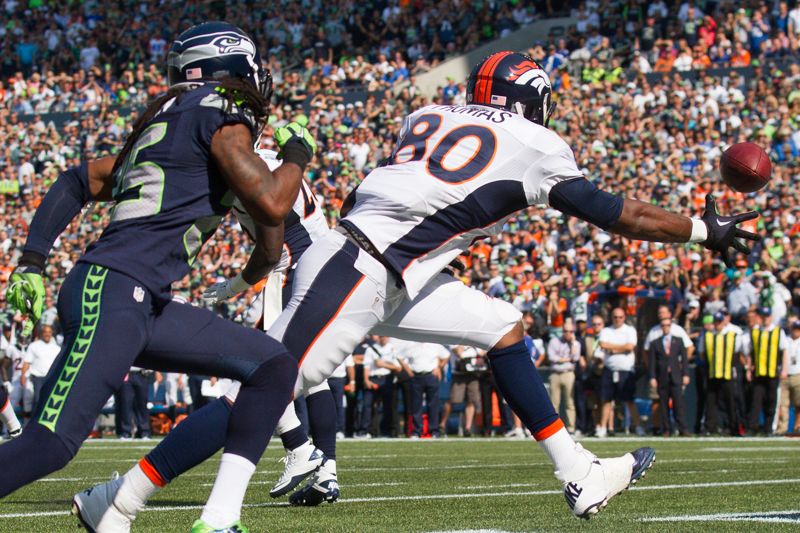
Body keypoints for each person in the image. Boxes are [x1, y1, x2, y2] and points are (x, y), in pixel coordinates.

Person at [77, 51, 758, 522]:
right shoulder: (536, 144)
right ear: (532, 99)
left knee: (503, 326)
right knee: (262, 389)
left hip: (389, 267)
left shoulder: (427, 116)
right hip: (362, 269)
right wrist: (704, 230)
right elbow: (618, 214)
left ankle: (576, 470)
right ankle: (122, 495)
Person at [4, 22, 314, 533]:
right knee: (49, 444)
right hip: (113, 289)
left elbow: (80, 179)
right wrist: (297, 154)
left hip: (141, 301)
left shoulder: (174, 124)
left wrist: (34, 259)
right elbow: (273, 203)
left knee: (273, 367)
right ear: (233, 69)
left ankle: (211, 519)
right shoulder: (223, 112)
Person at [643, 305, 694, 433]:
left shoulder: (678, 333)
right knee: (661, 403)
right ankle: (665, 428)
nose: (661, 315)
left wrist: (682, 369)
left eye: (664, 312)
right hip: (661, 375)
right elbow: (648, 354)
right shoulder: (654, 335)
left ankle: (682, 428)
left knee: (678, 403)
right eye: (659, 313)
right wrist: (652, 375)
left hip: (675, 374)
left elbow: (688, 349)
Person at [599, 308, 645, 436]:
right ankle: (603, 428)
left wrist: (612, 349)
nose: (618, 320)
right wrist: (622, 348)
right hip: (609, 369)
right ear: (611, 317)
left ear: (624, 317)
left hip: (625, 370)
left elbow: (630, 346)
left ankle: (638, 427)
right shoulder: (606, 330)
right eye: (615, 317)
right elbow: (603, 344)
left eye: (620, 317)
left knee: (629, 400)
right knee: (606, 400)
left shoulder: (630, 330)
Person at [698, 311, 744, 436]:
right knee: (710, 402)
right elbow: (702, 354)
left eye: (719, 321)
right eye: (716, 321)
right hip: (712, 373)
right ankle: (709, 427)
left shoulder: (732, 335)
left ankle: (733, 427)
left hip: (727, 373)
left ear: (724, 322)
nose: (717, 323)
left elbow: (737, 354)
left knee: (731, 402)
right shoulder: (707, 335)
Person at [744, 307, 789, 435]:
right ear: (760, 317)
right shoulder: (755, 332)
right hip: (759, 373)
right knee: (755, 402)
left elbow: (784, 351)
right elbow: (750, 352)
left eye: (767, 316)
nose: (765, 318)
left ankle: (769, 428)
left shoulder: (778, 331)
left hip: (773, 372)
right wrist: (749, 369)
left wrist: (784, 369)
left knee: (771, 401)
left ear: (771, 317)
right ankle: (752, 428)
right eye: (763, 316)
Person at [402, 341, 450, 438]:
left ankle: (434, 431)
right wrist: (407, 370)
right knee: (416, 405)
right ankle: (417, 431)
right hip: (416, 376)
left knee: (433, 404)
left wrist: (439, 368)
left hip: (431, 375)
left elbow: (446, 355)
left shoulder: (434, 344)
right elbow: (399, 356)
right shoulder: (411, 344)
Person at [361, 335, 402, 437]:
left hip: (386, 379)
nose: (383, 338)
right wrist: (366, 380)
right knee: (368, 405)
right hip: (373, 378)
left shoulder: (392, 349)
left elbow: (398, 368)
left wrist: (383, 364)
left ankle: (386, 430)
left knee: (388, 406)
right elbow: (366, 366)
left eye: (385, 336)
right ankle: (366, 430)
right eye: (381, 336)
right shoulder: (371, 349)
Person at [547, 320, 582, 434]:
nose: (568, 333)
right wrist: (567, 359)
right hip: (555, 373)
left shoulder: (576, 344)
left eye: (571, 331)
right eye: (566, 331)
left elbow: (575, 358)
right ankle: (554, 429)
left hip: (568, 373)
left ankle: (571, 428)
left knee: (569, 402)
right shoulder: (554, 341)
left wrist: (572, 343)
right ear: (562, 331)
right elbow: (551, 357)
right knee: (554, 403)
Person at [25, 324, 60, 413]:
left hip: (51, 378)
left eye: (49, 332)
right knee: (37, 399)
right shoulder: (34, 346)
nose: (47, 334)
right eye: (45, 332)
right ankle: (35, 419)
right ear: (41, 333)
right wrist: (23, 377)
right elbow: (27, 362)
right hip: (38, 378)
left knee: (49, 401)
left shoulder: (56, 348)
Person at [777, 321, 800, 435]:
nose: (796, 330)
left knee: (798, 404)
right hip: (785, 375)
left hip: (798, 374)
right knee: (783, 404)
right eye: (795, 328)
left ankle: (798, 426)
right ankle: (782, 428)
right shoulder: (785, 340)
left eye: (798, 328)